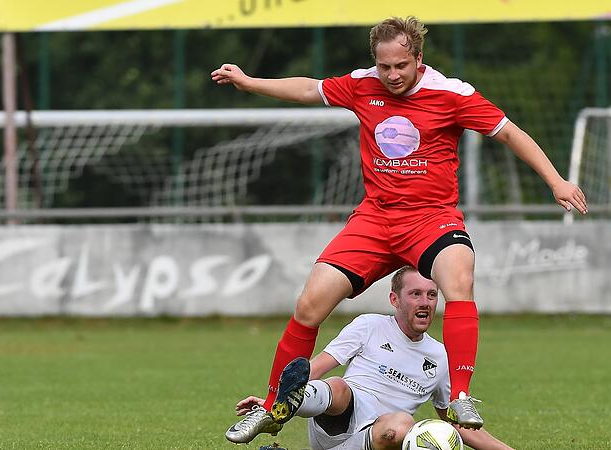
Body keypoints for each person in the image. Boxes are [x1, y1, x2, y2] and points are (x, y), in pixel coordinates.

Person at [212, 16, 587, 437]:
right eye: (384, 66)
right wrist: (250, 81)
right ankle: (272, 405)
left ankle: (460, 395)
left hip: (430, 217)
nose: (391, 75)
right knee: (309, 304)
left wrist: (556, 181)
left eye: (400, 67)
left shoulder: (451, 93)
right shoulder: (362, 83)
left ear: (418, 59)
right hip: (375, 217)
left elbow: (510, 134)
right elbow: (308, 88)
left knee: (459, 276)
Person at [228, 266, 513, 449]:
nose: (425, 302)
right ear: (395, 300)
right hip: (336, 420)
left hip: (379, 436)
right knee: (338, 386)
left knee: (403, 424)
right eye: (415, 294)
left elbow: (455, 423)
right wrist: (273, 399)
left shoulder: (441, 356)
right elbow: (317, 366)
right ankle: (284, 407)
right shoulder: (369, 325)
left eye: (431, 294)